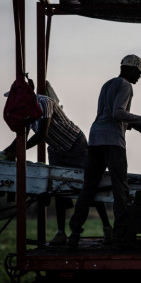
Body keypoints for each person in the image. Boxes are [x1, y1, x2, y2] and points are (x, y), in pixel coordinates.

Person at [68, 54, 141, 249]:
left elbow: (107, 115)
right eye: (138, 73)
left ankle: (74, 234)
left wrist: (133, 126)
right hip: (113, 142)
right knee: (120, 189)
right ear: (129, 69)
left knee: (88, 188)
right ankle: (121, 237)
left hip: (96, 139)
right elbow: (117, 113)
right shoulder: (125, 85)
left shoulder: (107, 84)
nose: (139, 78)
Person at [2, 80, 113, 245]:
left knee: (89, 184)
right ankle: (61, 232)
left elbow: (41, 134)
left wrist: (16, 150)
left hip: (74, 144)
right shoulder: (25, 112)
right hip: (56, 149)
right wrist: (8, 151)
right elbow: (22, 137)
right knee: (58, 189)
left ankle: (107, 227)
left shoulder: (45, 103)